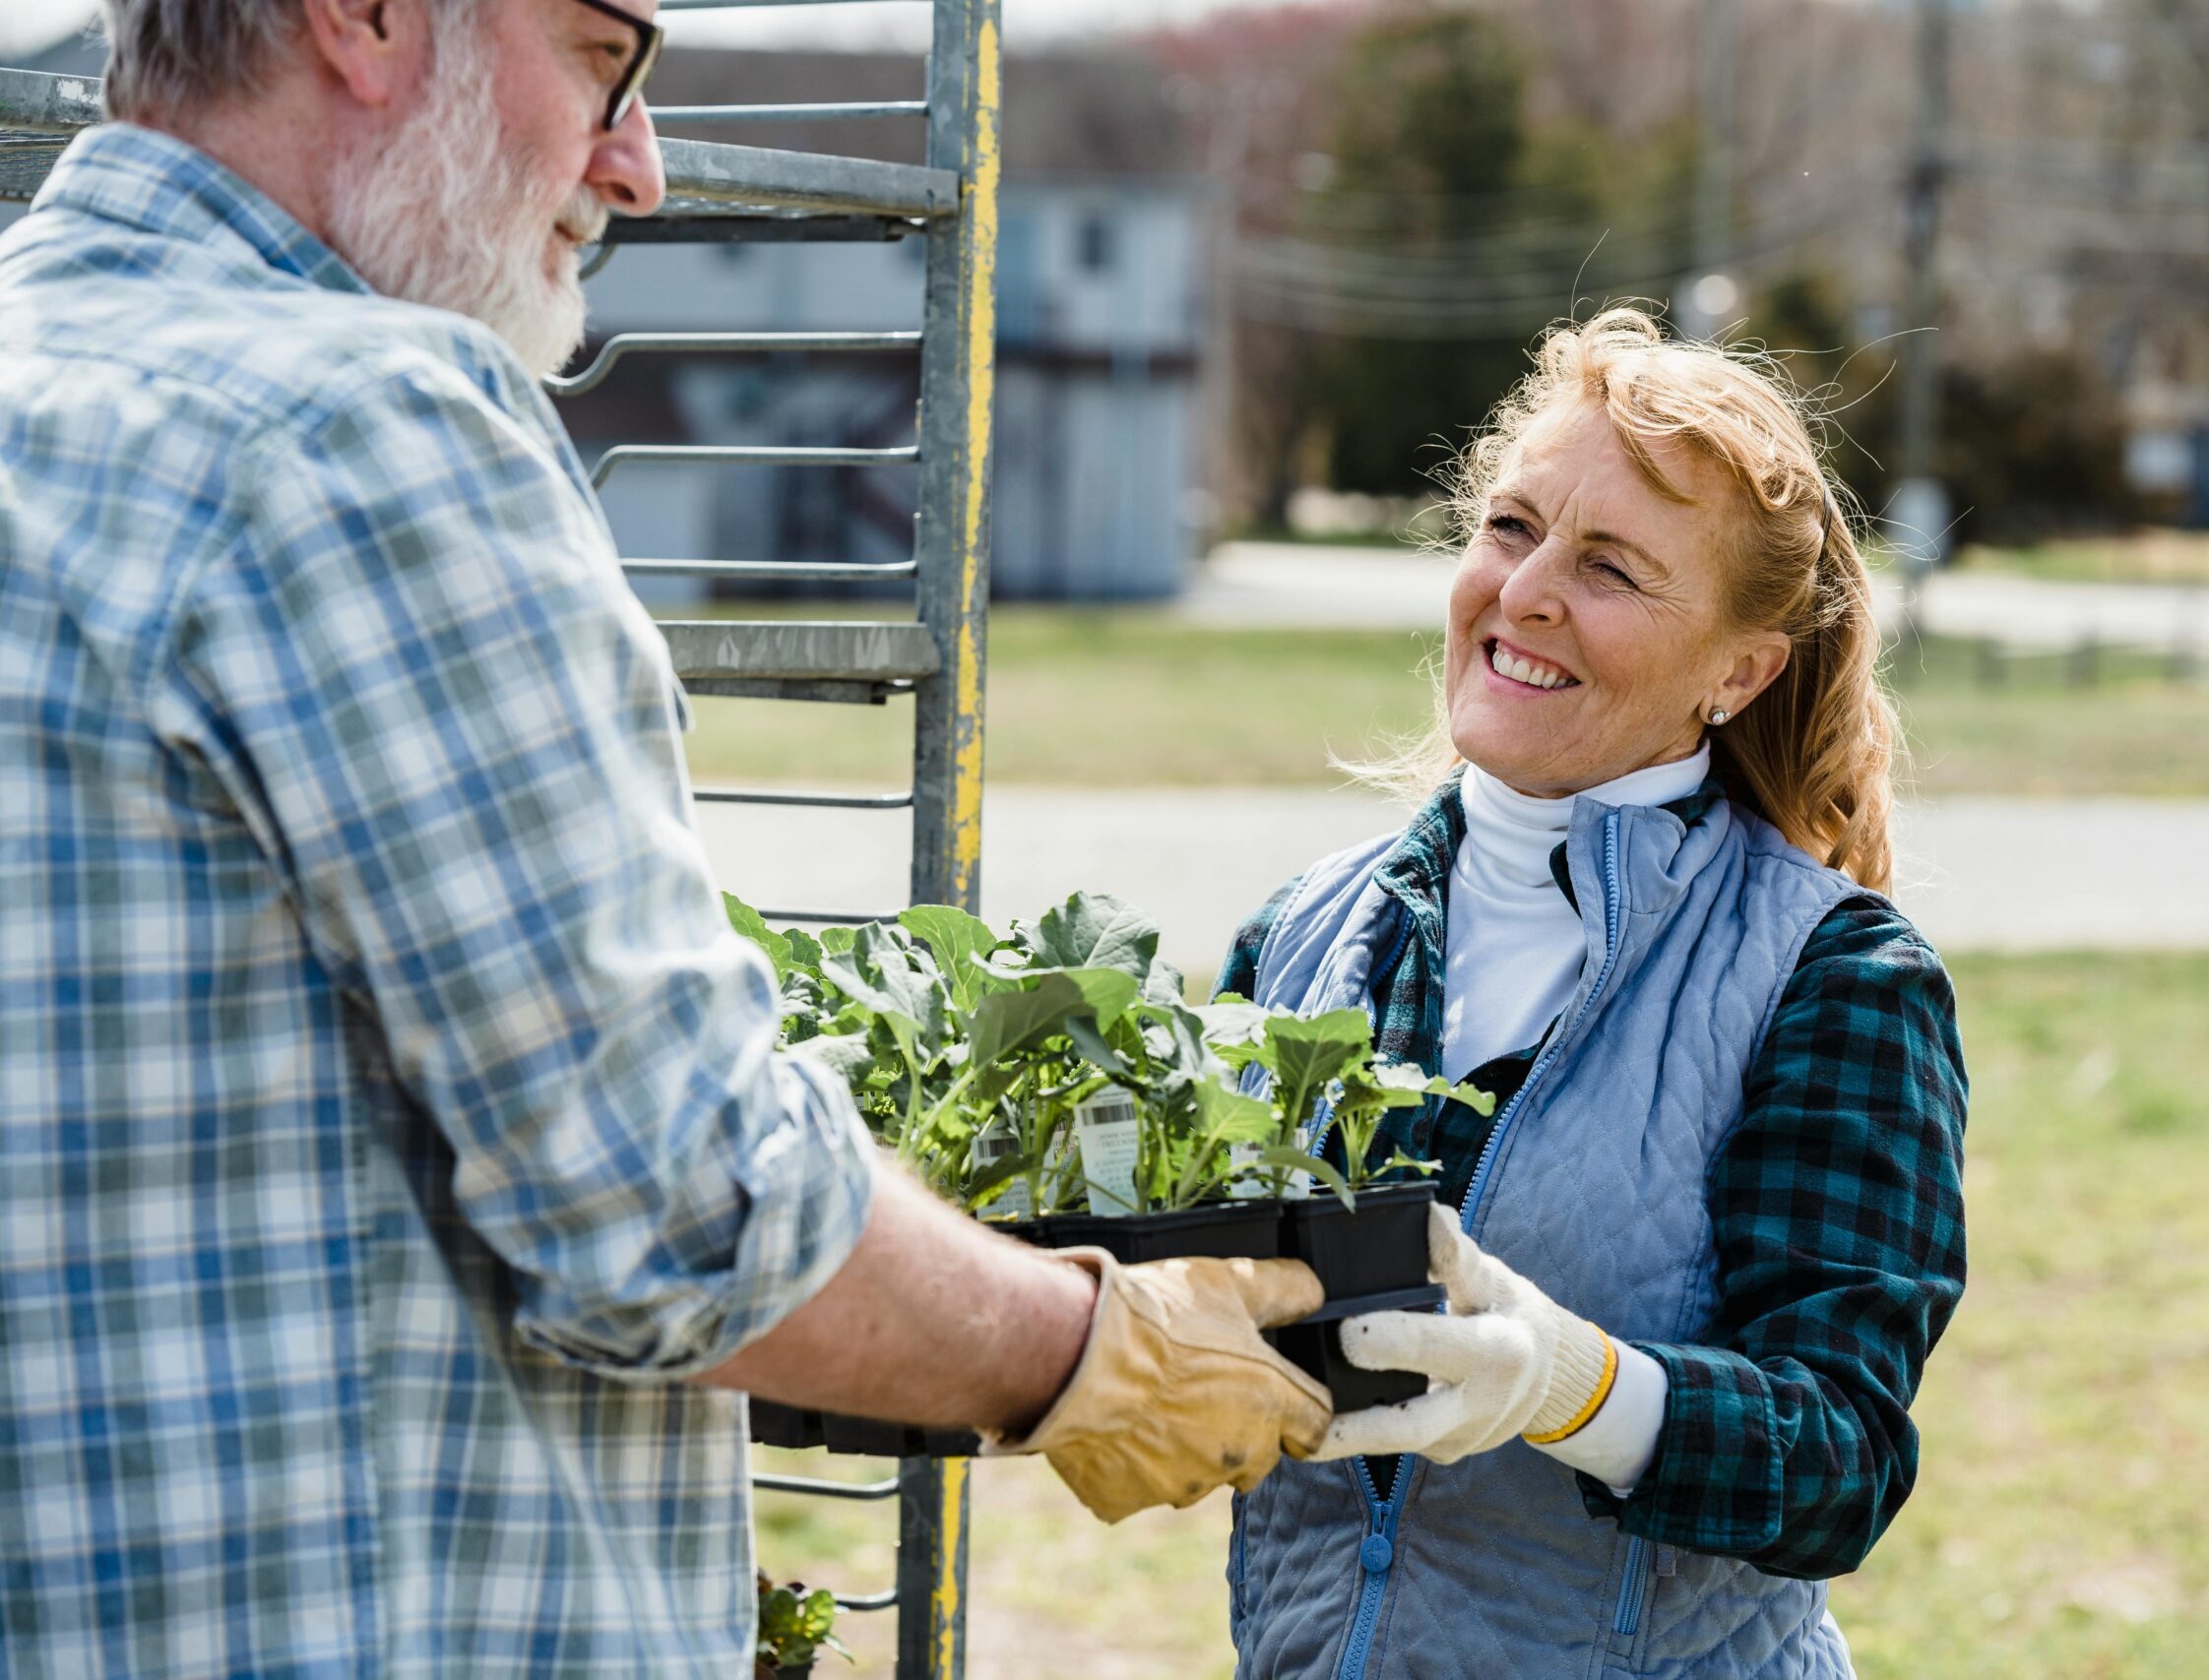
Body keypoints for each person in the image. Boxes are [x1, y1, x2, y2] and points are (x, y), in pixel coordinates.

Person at [0, 0, 1328, 1673]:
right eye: (598, 56)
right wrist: (1091, 1349)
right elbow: (681, 1210)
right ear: (367, 18)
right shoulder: (359, 429)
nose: (634, 165)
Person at [1216, 309, 1970, 1678]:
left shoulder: (1835, 982)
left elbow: (1843, 1460)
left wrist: (1575, 1385)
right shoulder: (1301, 936)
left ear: (1741, 672)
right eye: (1511, 528)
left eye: (1611, 568)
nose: (1526, 593)